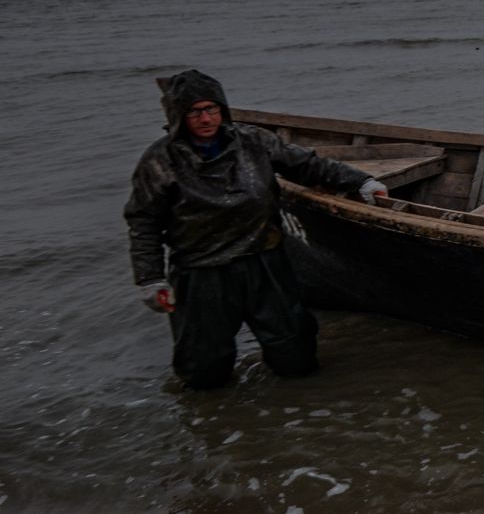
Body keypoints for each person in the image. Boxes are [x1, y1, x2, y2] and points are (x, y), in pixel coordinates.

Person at [124, 69, 387, 391]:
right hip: (201, 271)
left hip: (263, 261)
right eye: (194, 111)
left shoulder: (252, 141)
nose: (205, 118)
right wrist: (150, 278)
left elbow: (307, 164)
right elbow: (143, 222)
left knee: (296, 356)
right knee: (204, 372)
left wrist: (361, 181)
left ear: (223, 109)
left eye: (212, 108)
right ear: (179, 115)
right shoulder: (159, 161)